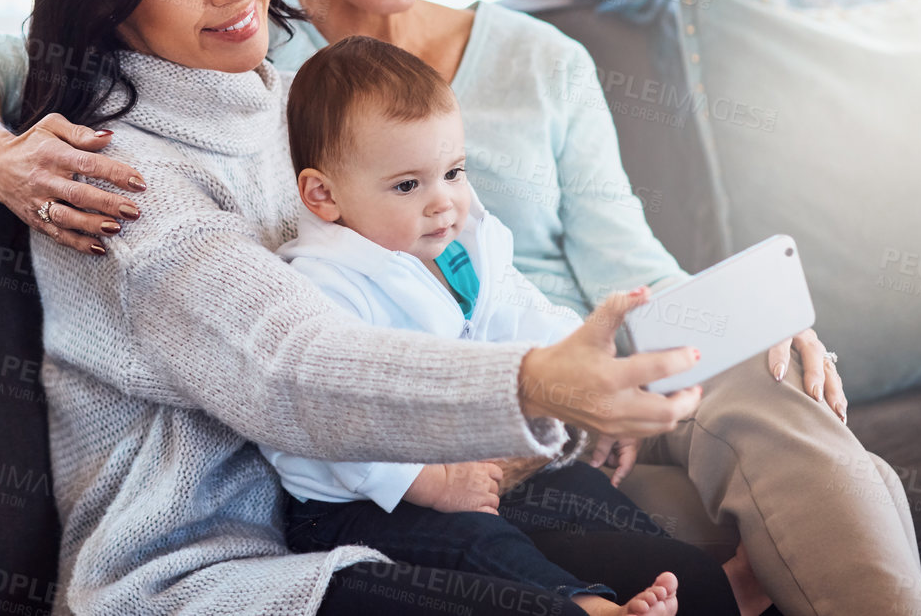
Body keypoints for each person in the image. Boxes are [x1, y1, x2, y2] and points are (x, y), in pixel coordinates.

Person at [0, 0, 921, 616]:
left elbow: (590, 273)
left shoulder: (366, 76)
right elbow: (290, 364)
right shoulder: (202, 122)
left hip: (506, 411)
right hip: (323, 506)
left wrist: (710, 324)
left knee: (759, 403)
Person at [0, 0, 703, 616]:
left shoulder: (289, 102)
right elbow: (289, 369)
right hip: (217, 568)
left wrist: (574, 359)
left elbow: (459, 251)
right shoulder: (112, 182)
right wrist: (531, 382)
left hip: (368, 500)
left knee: (693, 587)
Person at [265, 34, 737, 616]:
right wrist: (427, 483)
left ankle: (663, 566)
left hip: (472, 460)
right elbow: (321, 418)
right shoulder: (324, 282)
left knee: (580, 488)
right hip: (360, 504)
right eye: (408, 185)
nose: (443, 203)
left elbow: (524, 316)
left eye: (454, 172)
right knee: (474, 541)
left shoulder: (458, 251)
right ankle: (588, 606)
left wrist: (589, 365)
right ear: (323, 195)